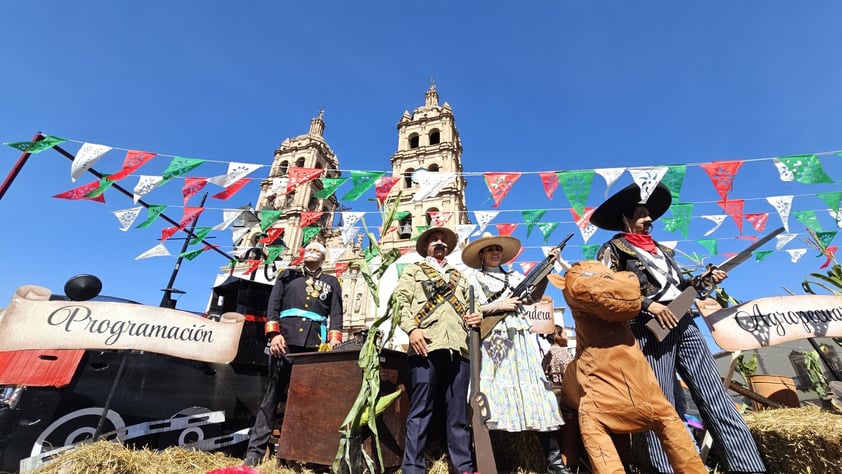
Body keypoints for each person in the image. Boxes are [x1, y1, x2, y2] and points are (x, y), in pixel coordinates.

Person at [592, 182, 766, 474]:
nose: (649, 220)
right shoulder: (612, 249)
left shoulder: (665, 252)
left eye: (649, 215)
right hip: (648, 328)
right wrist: (649, 306)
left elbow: (683, 288)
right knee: (662, 405)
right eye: (641, 214)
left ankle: (749, 468)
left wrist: (707, 280)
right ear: (625, 219)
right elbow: (606, 290)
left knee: (716, 397)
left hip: (684, 321)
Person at [548, 261, 708, 474]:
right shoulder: (615, 251)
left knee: (667, 417)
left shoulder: (655, 262)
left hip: (639, 367)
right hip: (593, 383)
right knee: (585, 418)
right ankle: (570, 460)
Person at [461, 232, 573, 474]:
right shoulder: (472, 278)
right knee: (493, 396)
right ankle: (495, 462)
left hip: (521, 339)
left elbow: (532, 296)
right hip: (494, 339)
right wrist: (500, 305)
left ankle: (554, 464)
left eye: (498, 249)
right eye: (490, 249)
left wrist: (547, 268)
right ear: (481, 254)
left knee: (538, 394)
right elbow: (469, 308)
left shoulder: (514, 276)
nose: (495, 252)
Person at [243, 241, 343, 466]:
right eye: (308, 249)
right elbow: (273, 306)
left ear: (324, 258)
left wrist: (334, 341)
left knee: (308, 401)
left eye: (316, 250)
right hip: (284, 343)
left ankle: (302, 453)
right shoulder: (287, 275)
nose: (311, 252)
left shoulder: (332, 282)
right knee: (271, 398)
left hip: (314, 348)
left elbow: (336, 314)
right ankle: (254, 453)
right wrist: (273, 334)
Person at [394, 227, 482, 474]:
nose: (440, 243)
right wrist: (412, 330)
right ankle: (412, 468)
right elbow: (399, 301)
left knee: (458, 414)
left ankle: (463, 467)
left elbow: (474, 307)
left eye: (443, 240)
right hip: (425, 345)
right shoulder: (413, 270)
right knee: (421, 410)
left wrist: (477, 315)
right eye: (434, 240)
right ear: (426, 246)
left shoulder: (460, 277)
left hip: (458, 348)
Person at [542, 324, 573, 389]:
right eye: (565, 334)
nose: (567, 338)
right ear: (557, 336)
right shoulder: (564, 353)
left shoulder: (546, 357)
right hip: (567, 390)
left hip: (552, 391)